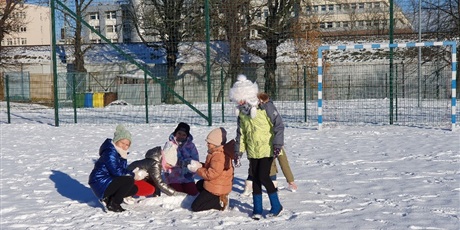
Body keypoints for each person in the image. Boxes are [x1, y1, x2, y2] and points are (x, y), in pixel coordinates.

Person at [230, 74, 284, 220]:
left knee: (263, 176)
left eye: (241, 98)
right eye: (237, 99)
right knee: (255, 179)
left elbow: (278, 125)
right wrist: (238, 152)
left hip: (267, 148)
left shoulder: (265, 106)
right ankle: (257, 209)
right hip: (253, 151)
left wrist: (277, 144)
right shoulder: (242, 113)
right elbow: (241, 134)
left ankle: (276, 205)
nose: (239, 102)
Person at [242, 92, 297, 195]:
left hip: (272, 141)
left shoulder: (268, 108)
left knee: (279, 160)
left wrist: (277, 143)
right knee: (258, 162)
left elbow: (278, 125)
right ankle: (255, 183)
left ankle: (286, 181)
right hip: (263, 142)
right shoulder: (255, 109)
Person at [88, 125, 148, 212]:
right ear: (116, 141)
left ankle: (108, 199)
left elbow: (120, 170)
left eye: (127, 144)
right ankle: (113, 204)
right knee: (129, 180)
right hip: (100, 181)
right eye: (122, 143)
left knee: (133, 188)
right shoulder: (110, 152)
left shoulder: (120, 153)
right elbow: (116, 171)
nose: (124, 146)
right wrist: (133, 175)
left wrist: (133, 172)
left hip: (108, 180)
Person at [187, 127, 234, 212]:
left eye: (209, 143)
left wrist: (197, 170)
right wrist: (200, 165)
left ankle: (219, 203)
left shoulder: (219, 156)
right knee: (199, 185)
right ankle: (216, 197)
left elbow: (211, 174)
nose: (207, 144)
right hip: (217, 183)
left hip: (217, 187)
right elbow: (212, 167)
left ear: (216, 143)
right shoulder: (216, 152)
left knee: (196, 207)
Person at [163, 122, 200, 196]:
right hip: (173, 176)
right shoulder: (170, 144)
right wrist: (176, 164)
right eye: (179, 133)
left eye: (184, 135)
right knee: (178, 195)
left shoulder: (191, 146)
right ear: (175, 133)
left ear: (187, 136)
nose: (181, 136)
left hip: (187, 176)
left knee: (193, 194)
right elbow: (165, 160)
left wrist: (189, 165)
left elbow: (195, 160)